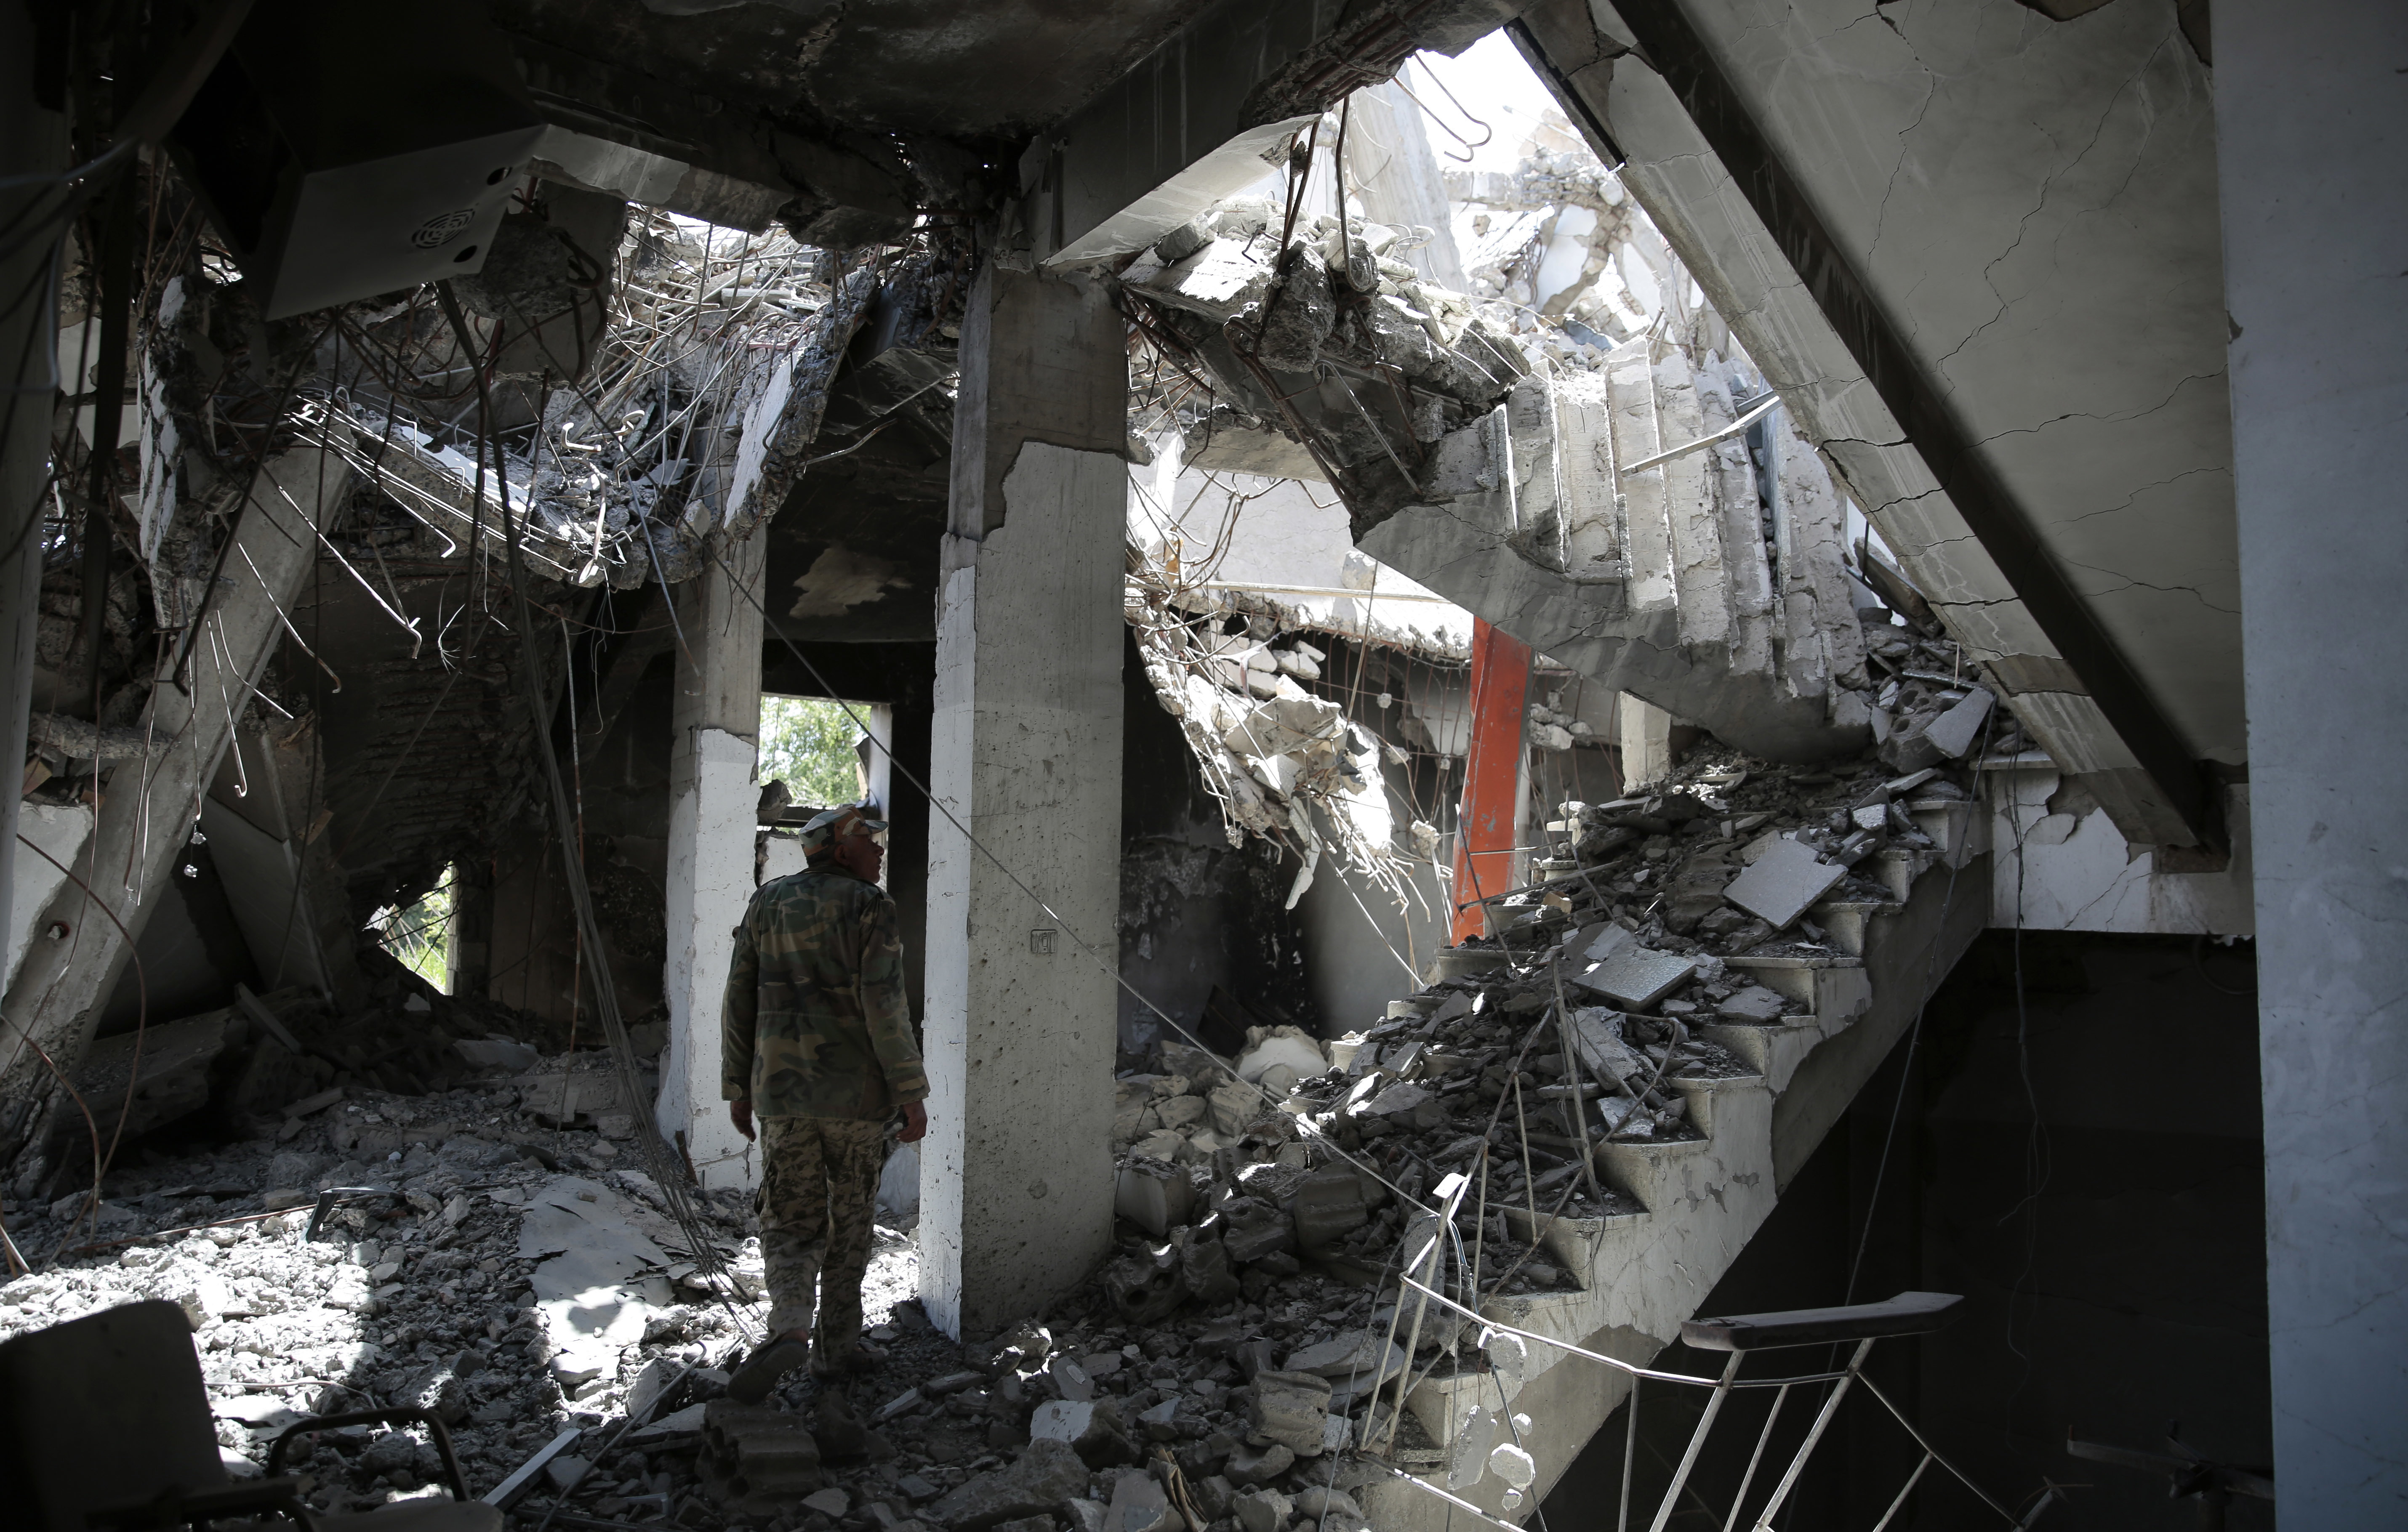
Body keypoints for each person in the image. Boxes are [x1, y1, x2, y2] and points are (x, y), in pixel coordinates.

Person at [722, 803, 929, 1404]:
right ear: (840, 851)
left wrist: (738, 1085)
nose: (881, 850)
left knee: (789, 1218)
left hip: (780, 1095)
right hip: (856, 1101)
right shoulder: (871, 908)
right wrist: (911, 1093)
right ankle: (834, 1352)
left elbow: (738, 1000)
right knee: (849, 1224)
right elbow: (886, 1008)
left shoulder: (766, 903)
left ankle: (789, 1320)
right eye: (871, 840)